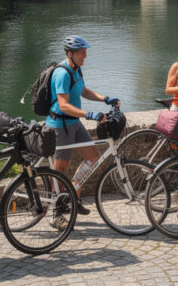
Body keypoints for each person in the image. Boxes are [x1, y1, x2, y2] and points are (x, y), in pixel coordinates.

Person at [46, 35, 119, 229]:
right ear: (70, 53)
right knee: (60, 171)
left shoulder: (76, 70)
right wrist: (90, 114)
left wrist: (106, 99)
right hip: (60, 126)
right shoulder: (62, 73)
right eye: (82, 52)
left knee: (93, 157)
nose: (85, 55)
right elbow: (63, 105)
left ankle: (73, 194)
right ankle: (55, 213)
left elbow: (84, 92)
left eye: (85, 52)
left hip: (74, 124)